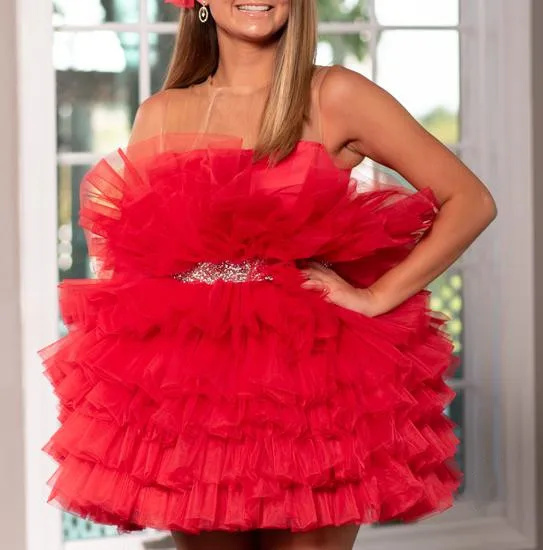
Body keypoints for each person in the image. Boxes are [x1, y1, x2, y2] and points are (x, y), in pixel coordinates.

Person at [39, 1, 497, 549]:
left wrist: (377, 296)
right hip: (195, 391)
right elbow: (135, 262)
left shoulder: (335, 95)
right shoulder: (161, 113)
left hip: (311, 381)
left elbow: (470, 201)